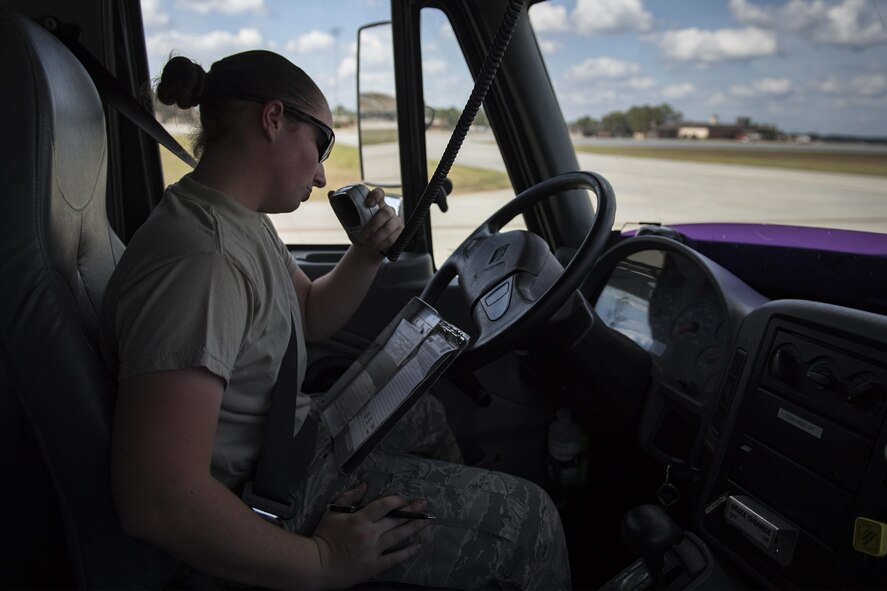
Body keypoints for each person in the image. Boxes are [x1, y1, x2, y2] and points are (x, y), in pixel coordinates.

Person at [100, 49, 570, 590]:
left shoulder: (239, 222)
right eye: (321, 143)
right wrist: (324, 562)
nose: (323, 175)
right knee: (531, 521)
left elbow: (307, 314)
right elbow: (156, 498)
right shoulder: (201, 264)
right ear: (273, 119)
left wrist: (368, 252)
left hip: (283, 448)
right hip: (257, 498)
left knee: (428, 416)